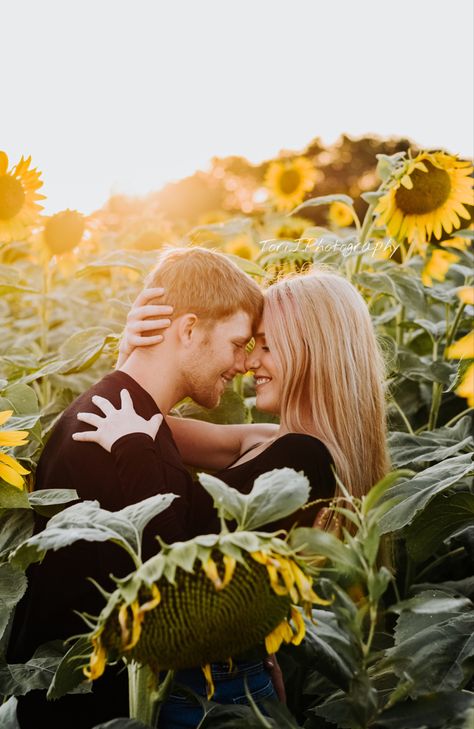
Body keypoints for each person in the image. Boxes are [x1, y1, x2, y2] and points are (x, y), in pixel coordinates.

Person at [74, 265, 392, 728]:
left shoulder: (306, 459)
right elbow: (144, 420)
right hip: (213, 681)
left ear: (313, 351)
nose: (249, 363)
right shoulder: (272, 439)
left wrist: (132, 446)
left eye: (267, 345)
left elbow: (182, 568)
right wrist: (138, 358)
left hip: (209, 697)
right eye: (249, 345)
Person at [7, 246, 264, 729]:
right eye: (237, 343)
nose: (242, 365)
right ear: (188, 329)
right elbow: (164, 600)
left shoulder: (128, 417)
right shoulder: (109, 432)